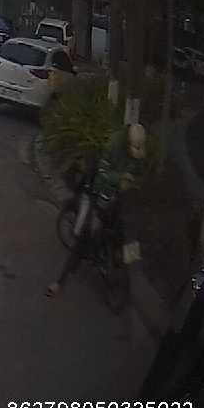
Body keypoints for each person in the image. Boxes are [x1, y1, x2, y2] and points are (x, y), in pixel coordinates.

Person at [46, 122, 147, 298]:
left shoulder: (136, 148)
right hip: (97, 192)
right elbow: (103, 173)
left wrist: (133, 181)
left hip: (115, 196)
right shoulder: (113, 146)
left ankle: (121, 263)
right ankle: (60, 281)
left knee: (123, 232)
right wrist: (120, 178)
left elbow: (138, 170)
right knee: (85, 236)